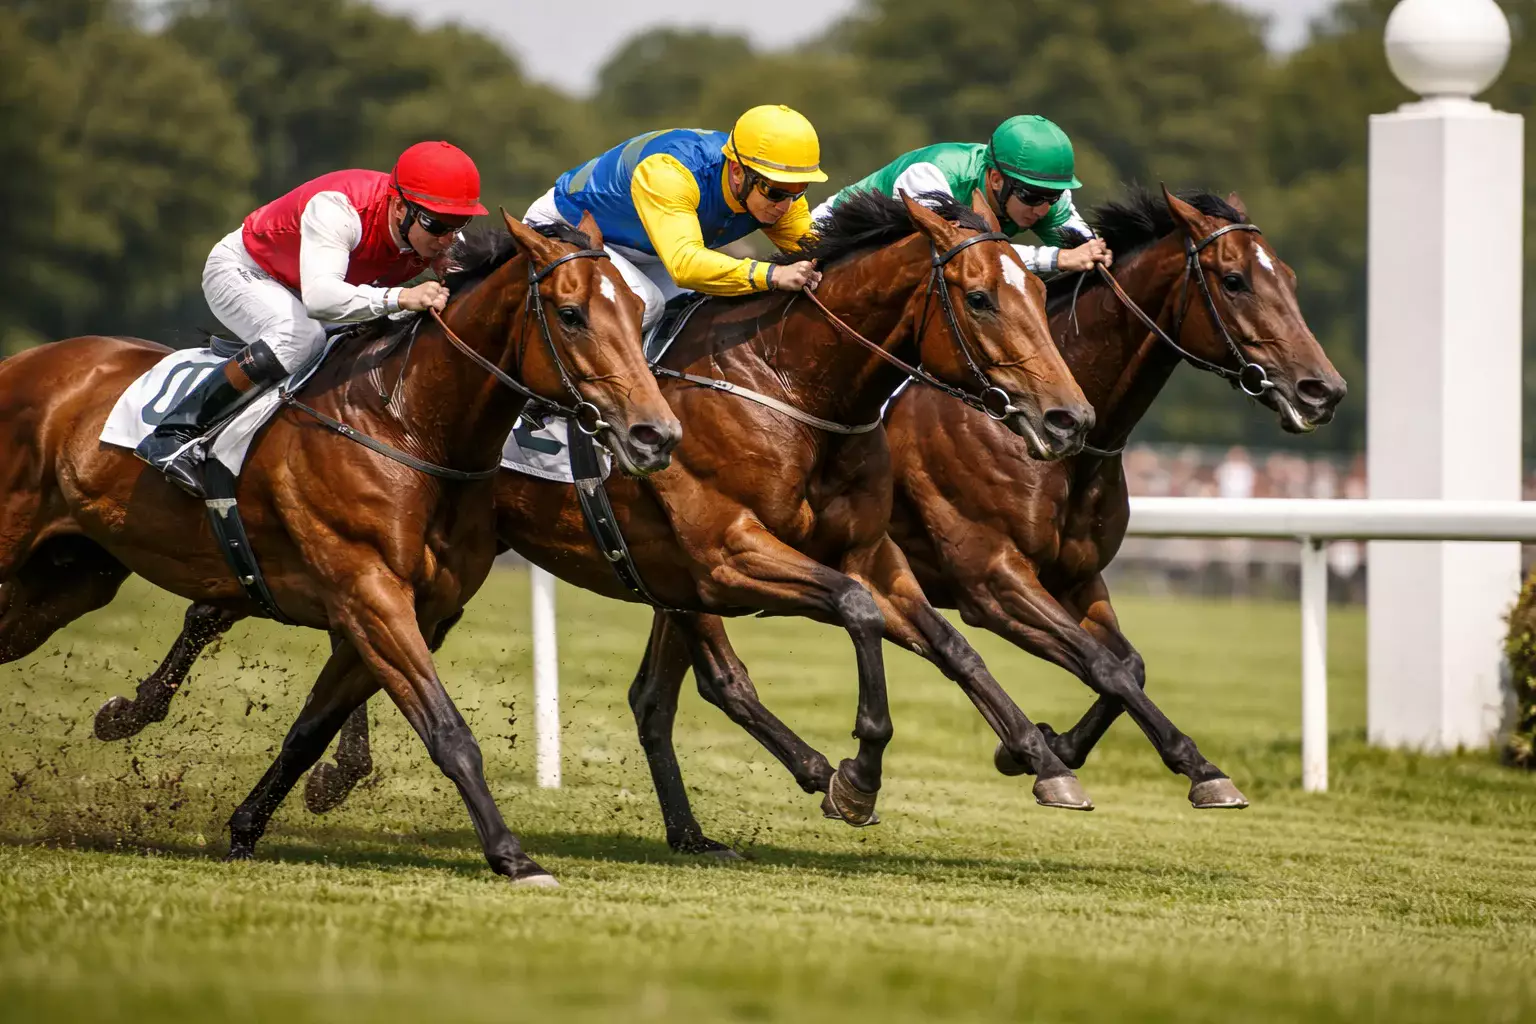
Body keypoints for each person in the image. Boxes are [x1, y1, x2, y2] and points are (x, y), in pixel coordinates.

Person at [137, 140, 488, 497]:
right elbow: (321, 299)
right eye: (437, 225)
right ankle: (173, 436)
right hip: (247, 271)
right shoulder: (339, 209)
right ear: (399, 206)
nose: (447, 238)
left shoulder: (434, 232)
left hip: (309, 286)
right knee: (299, 336)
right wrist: (401, 296)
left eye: (459, 224)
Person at [523, 104, 827, 331]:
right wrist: (772, 274)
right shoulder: (670, 172)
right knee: (646, 305)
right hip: (566, 230)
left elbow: (823, 256)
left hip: (649, 253)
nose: (785, 207)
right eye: (775, 193)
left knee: (705, 315)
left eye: (798, 192)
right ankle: (549, 409)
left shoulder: (778, 194)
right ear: (737, 172)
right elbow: (686, 265)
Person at [815, 114, 1112, 276]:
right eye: (1033, 197)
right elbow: (967, 256)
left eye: (1054, 196)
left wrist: (1095, 254)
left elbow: (1089, 254)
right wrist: (1058, 258)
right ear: (996, 179)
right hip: (829, 245)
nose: (1044, 209)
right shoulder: (932, 175)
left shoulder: (1043, 199)